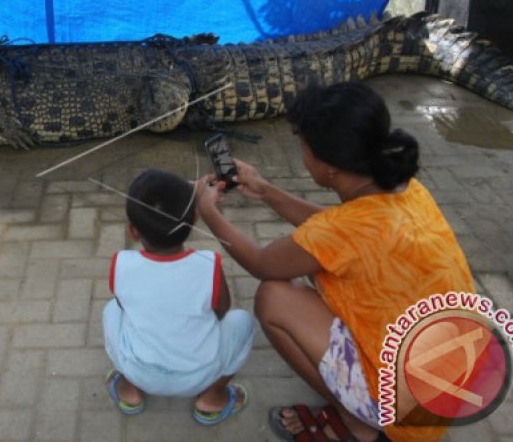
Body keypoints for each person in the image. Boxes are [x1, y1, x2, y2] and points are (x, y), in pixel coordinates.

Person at [194, 83, 475, 441]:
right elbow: (336, 233)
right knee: (322, 275)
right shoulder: (408, 190)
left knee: (274, 296)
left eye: (303, 146)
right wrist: (265, 191)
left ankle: (358, 421)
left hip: (403, 411)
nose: (302, 154)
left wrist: (209, 213)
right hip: (448, 382)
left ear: (328, 168)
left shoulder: (343, 231)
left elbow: (264, 264)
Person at [103, 168, 255, 425]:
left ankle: (130, 392)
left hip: (141, 373)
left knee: (111, 311)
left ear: (133, 231)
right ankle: (211, 398)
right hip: (201, 374)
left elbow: (123, 306)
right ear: (195, 219)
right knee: (242, 321)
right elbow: (222, 312)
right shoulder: (209, 265)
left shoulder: (121, 263)